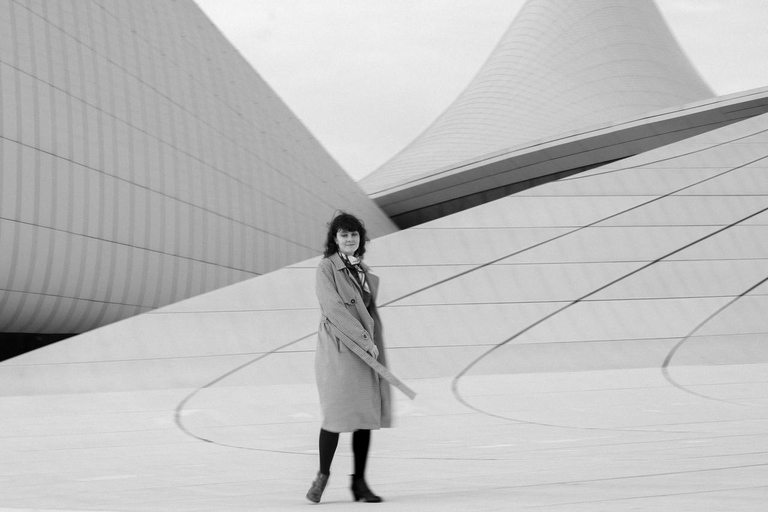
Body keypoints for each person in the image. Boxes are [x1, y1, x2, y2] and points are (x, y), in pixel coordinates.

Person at [306, 212, 391, 503]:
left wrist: (372, 342)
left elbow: (369, 312)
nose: (349, 239)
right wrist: (366, 340)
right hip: (340, 349)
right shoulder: (326, 268)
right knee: (336, 413)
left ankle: (359, 483)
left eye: (354, 235)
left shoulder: (362, 270)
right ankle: (322, 475)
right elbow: (334, 309)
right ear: (335, 238)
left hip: (365, 349)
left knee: (364, 416)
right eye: (344, 235)